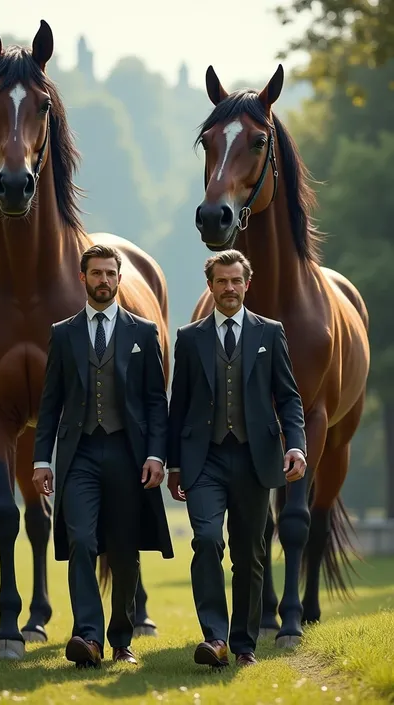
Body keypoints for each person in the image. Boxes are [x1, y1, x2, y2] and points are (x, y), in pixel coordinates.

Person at [32, 244, 173, 668]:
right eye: (96, 274)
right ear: (84, 278)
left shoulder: (144, 333)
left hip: (130, 456)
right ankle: (87, 637)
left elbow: (155, 403)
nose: (104, 281)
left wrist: (156, 456)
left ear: (119, 277)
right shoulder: (63, 333)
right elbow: (50, 401)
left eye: (111, 273)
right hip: (80, 455)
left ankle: (121, 640)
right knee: (81, 540)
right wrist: (42, 460)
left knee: (125, 551)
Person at [167, 249, 306, 668]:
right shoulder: (189, 338)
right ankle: (215, 638)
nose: (229, 288)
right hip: (203, 460)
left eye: (236, 281)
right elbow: (179, 406)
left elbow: (288, 397)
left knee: (250, 552)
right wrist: (175, 463)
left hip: (254, 459)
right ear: (210, 287)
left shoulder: (271, 333)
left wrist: (296, 444)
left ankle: (243, 645)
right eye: (221, 281)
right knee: (206, 540)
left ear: (247, 284)